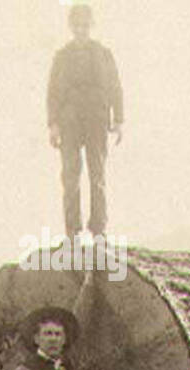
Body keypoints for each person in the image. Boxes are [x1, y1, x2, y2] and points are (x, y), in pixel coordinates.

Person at [48, 4, 123, 238]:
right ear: (71, 27)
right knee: (70, 175)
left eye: (85, 25)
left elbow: (115, 87)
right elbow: (52, 92)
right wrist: (53, 124)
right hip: (69, 119)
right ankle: (72, 231)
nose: (81, 30)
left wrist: (119, 120)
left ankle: (99, 230)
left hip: (96, 119)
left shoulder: (103, 54)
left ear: (91, 26)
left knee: (97, 174)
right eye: (77, 25)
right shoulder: (62, 57)